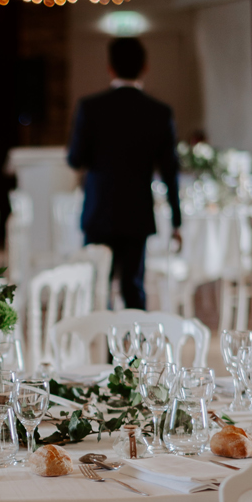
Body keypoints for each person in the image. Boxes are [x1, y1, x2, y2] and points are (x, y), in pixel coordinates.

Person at [66, 37, 181, 310]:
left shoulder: (90, 108)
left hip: (99, 211)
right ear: (145, 67)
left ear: (110, 68)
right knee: (133, 287)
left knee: (98, 289)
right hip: (136, 214)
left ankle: (105, 351)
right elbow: (169, 171)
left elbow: (75, 159)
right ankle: (134, 352)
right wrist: (177, 221)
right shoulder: (159, 112)